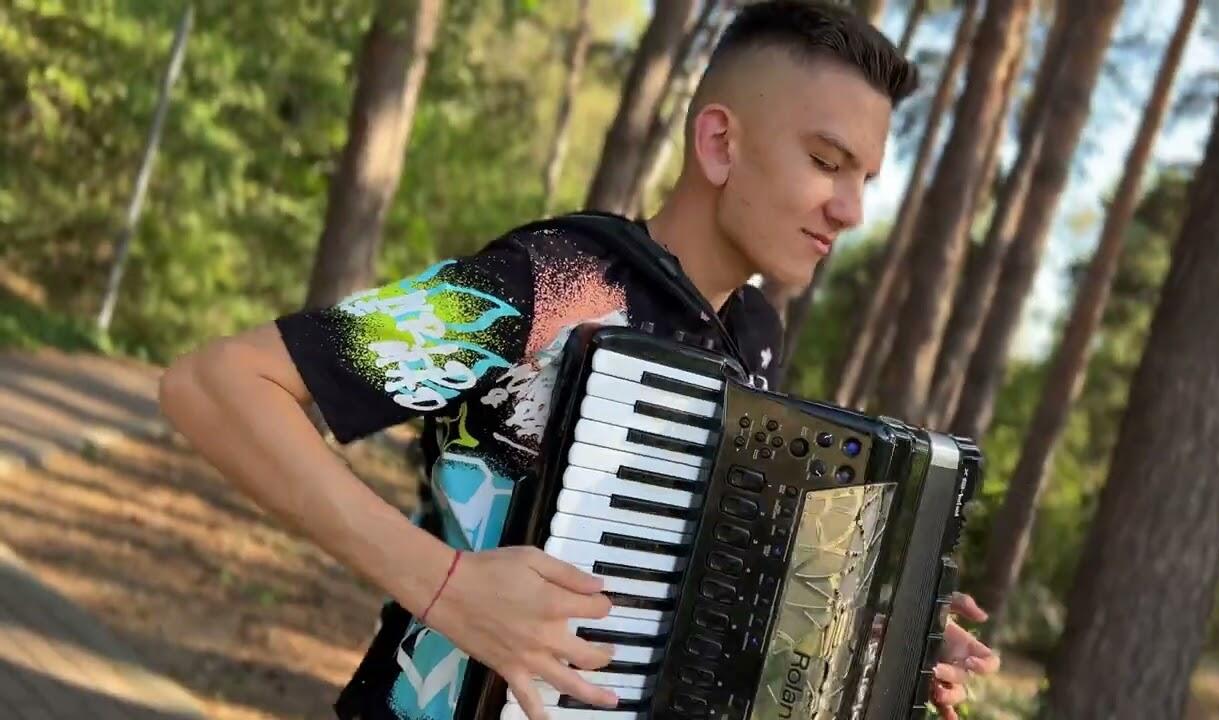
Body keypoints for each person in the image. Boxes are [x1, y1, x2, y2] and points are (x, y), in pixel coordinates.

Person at [159, 2, 1000, 719]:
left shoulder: (754, 338)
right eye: (826, 162)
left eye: (866, 179)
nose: (851, 210)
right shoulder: (550, 284)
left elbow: (696, 581)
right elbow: (219, 386)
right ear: (719, 143)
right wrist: (447, 586)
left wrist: (877, 639)